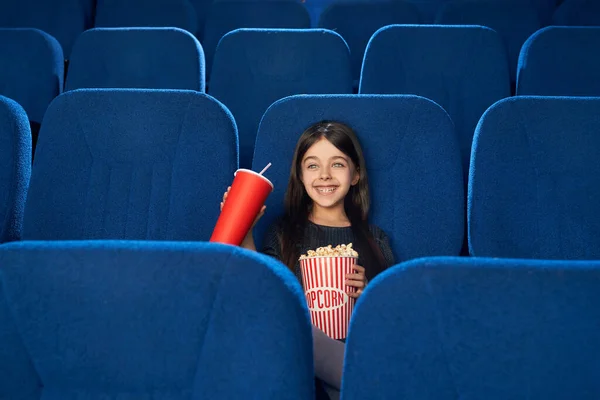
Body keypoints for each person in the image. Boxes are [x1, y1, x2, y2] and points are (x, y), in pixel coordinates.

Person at [221, 121, 395, 399]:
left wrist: (369, 291)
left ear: (355, 174)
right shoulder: (283, 233)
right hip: (288, 351)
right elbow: (265, 291)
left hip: (354, 346)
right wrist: (244, 230)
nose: (324, 175)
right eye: (313, 166)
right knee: (287, 326)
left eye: (337, 164)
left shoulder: (376, 239)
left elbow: (393, 313)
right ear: (300, 176)